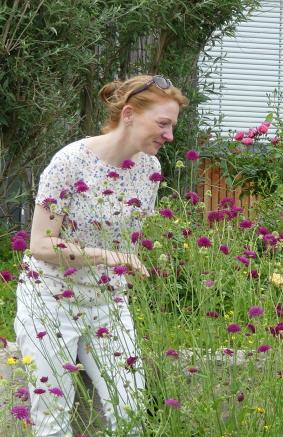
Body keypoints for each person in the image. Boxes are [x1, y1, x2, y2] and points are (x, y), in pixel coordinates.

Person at [14, 74, 187, 436]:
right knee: (52, 414)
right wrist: (109, 257)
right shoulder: (69, 162)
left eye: (171, 126)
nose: (169, 135)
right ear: (128, 115)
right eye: (163, 124)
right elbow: (41, 245)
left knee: (131, 411)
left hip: (108, 302)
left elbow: (131, 242)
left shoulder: (150, 170)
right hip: (49, 299)